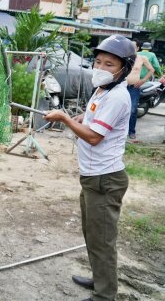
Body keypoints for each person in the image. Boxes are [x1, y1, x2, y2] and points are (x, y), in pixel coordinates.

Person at [44, 35, 135, 301]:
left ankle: (105, 295)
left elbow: (94, 137)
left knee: (103, 240)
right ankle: (99, 278)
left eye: (109, 64)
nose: (101, 68)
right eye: (98, 62)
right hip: (92, 177)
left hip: (106, 180)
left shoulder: (118, 97)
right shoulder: (102, 90)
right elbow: (93, 116)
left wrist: (63, 117)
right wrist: (80, 117)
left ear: (123, 69)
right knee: (92, 234)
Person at [126, 40, 155, 140]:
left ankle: (131, 132)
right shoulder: (123, 57)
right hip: (121, 87)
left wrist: (143, 80)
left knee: (132, 110)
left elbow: (152, 70)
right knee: (118, 109)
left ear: (138, 48)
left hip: (134, 88)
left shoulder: (142, 58)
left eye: (133, 47)